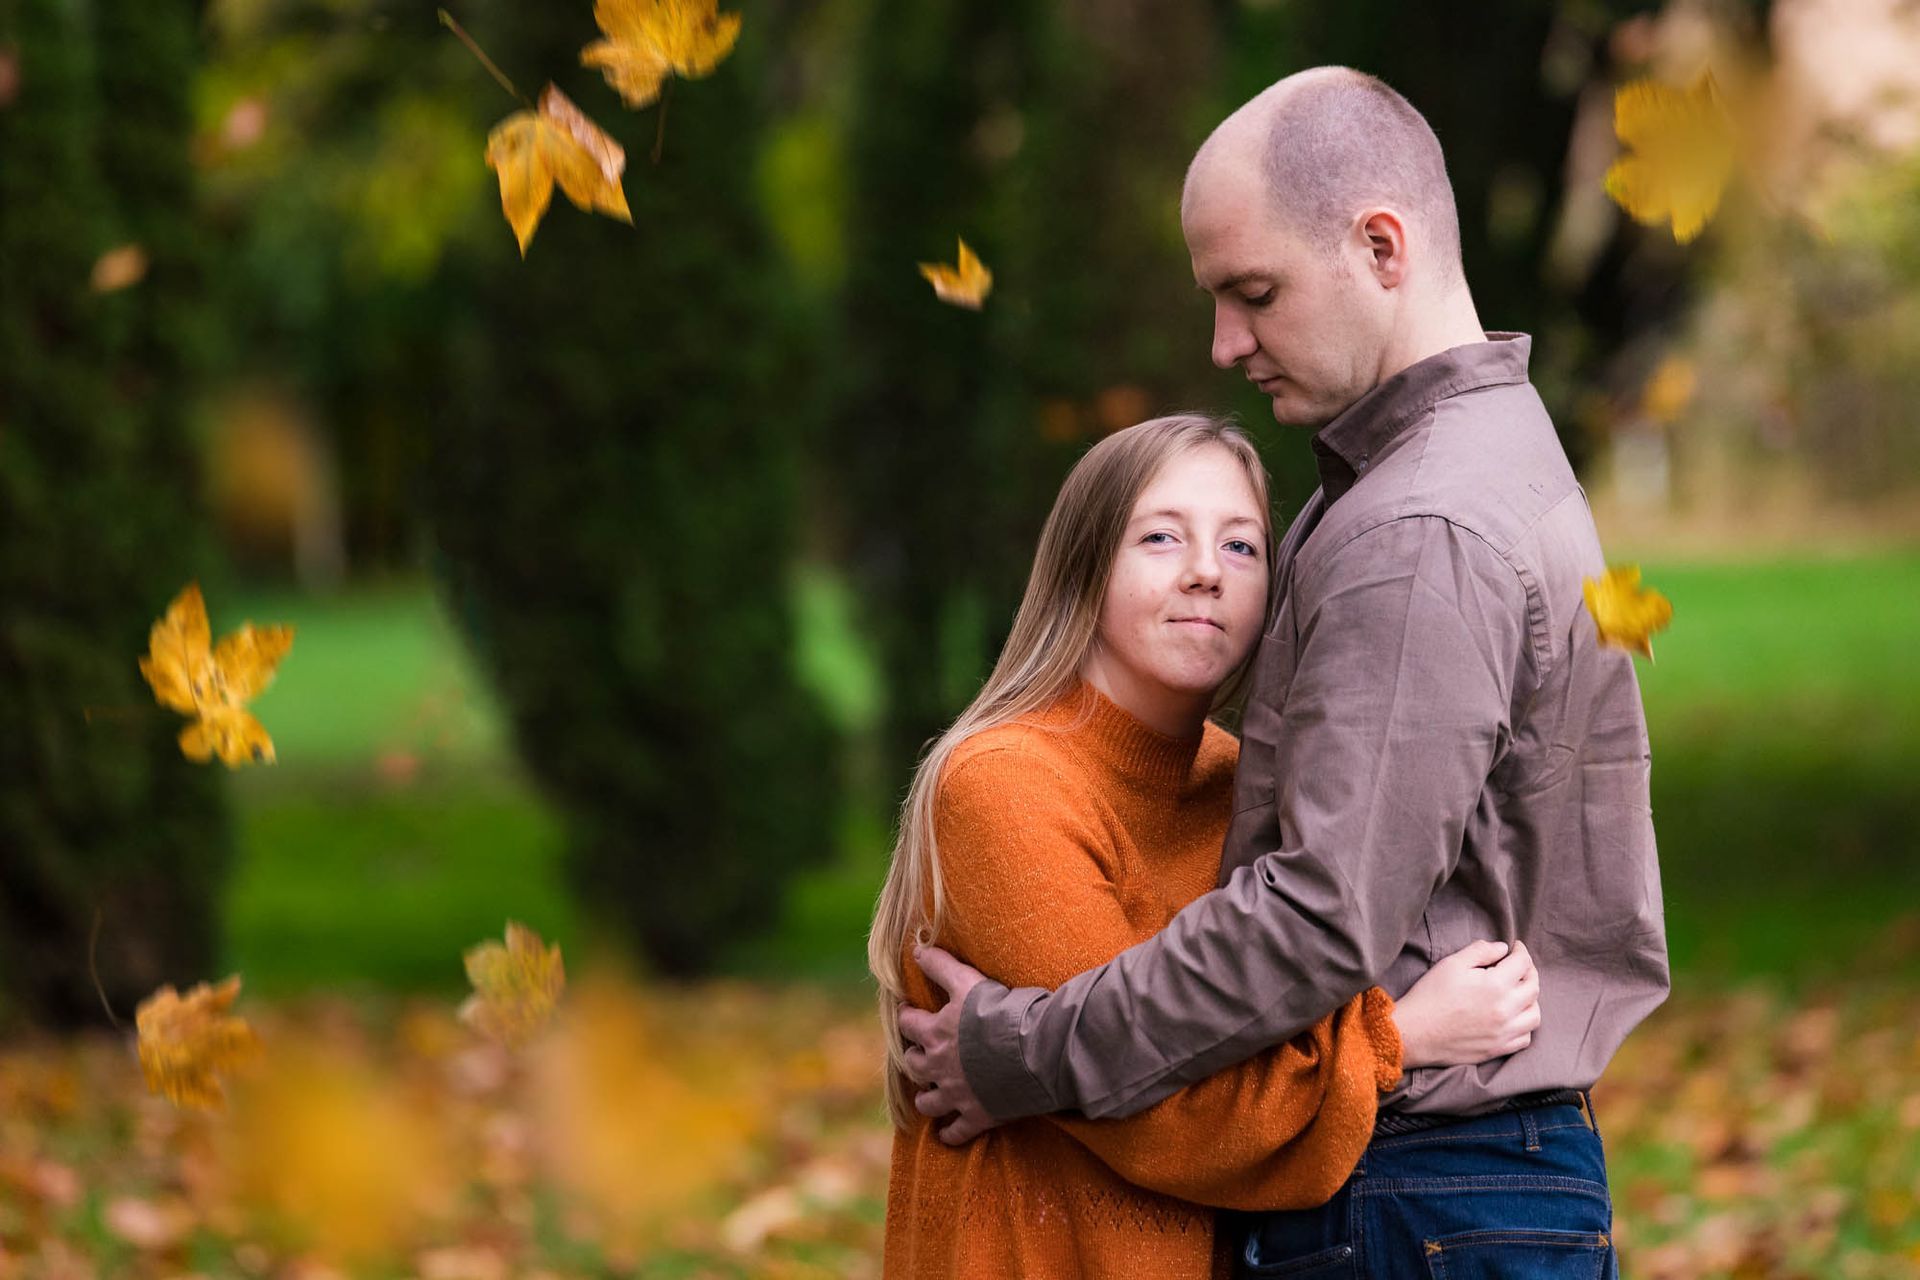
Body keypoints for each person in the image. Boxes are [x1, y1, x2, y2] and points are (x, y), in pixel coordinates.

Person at [899, 68, 1667, 1277]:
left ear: (1379, 246)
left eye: (1253, 293)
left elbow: (1315, 914)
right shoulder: (1463, 467)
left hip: (1413, 1193)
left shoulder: (1420, 528)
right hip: (1450, 1182)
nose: (1225, 342)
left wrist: (1026, 1052)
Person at [874, 414, 1543, 1278]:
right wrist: (1398, 1040)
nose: (1204, 574)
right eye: (1160, 538)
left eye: (1240, 547)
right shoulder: (1004, 782)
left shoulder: (1242, 782)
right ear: (1084, 570)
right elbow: (1163, 1107)